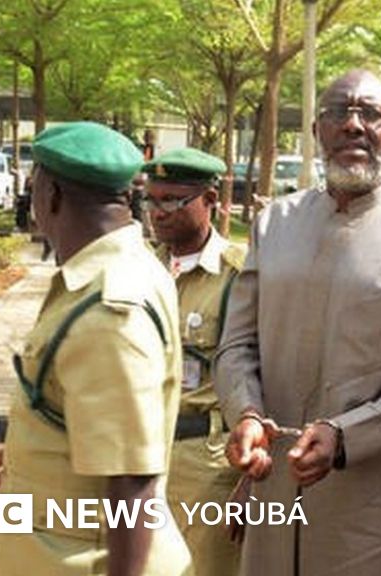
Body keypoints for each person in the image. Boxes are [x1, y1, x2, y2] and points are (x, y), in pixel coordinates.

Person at [213, 69, 381, 575]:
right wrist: (245, 414)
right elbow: (237, 343)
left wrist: (349, 436)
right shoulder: (276, 223)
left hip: (372, 502)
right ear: (317, 130)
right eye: (338, 112)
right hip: (273, 488)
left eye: (371, 114)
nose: (353, 125)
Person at [0, 122, 191, 576]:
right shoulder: (122, 269)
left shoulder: (110, 308)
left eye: (34, 187)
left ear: (52, 196)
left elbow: (132, 478)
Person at [142, 147, 246, 575]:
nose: (158, 212)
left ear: (211, 200)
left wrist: (251, 480)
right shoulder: (138, 270)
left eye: (173, 200)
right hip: (138, 455)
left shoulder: (240, 276)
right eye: (151, 199)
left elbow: (269, 375)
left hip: (207, 463)